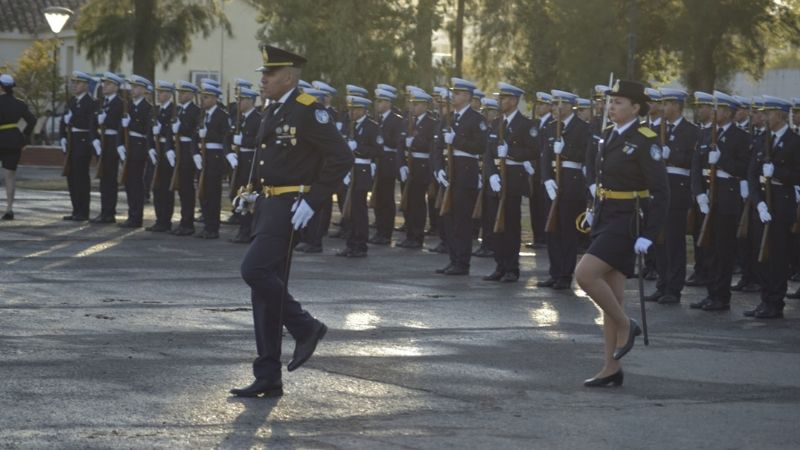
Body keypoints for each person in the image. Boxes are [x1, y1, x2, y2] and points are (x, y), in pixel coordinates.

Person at [231, 45, 351, 397]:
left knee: (253, 271)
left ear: (288, 77)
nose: (263, 79)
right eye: (263, 74)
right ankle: (268, 374)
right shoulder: (273, 110)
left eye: (269, 74)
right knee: (263, 292)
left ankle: (306, 327)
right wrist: (251, 190)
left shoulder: (308, 111)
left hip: (291, 205)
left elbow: (342, 158)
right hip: (269, 204)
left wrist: (314, 200)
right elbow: (267, 157)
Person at [576, 80, 668, 387]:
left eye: (618, 102)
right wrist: (594, 208)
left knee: (585, 275)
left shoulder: (645, 140)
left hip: (627, 221)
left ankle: (625, 324)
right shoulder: (608, 136)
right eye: (610, 101)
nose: (611, 106)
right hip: (606, 216)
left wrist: (650, 233)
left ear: (636, 108)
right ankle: (611, 367)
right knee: (611, 297)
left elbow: (661, 191)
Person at [689, 91, 750, 312]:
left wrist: (722, 160)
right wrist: (698, 193)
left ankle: (721, 297)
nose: (715, 113)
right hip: (707, 196)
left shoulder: (741, 138)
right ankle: (711, 293)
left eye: (719, 110)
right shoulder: (706, 135)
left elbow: (744, 169)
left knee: (723, 250)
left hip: (726, 198)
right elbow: (696, 166)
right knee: (709, 249)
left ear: (728, 113)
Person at [743, 96, 800, 319]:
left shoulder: (795, 142)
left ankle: (775, 302)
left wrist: (777, 173)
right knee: (761, 252)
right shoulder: (761, 139)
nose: (765, 117)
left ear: (782, 115)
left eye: (770, 113)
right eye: (764, 113)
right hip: (763, 204)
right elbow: (751, 173)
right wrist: (758, 203)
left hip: (782, 201)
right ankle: (765, 299)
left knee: (777, 255)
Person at [644, 88, 698, 305]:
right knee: (660, 240)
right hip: (658, 189)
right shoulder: (657, 129)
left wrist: (672, 154)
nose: (663, 107)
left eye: (667, 103)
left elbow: (692, 160)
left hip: (677, 190)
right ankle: (662, 284)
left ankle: (674, 288)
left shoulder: (690, 130)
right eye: (662, 103)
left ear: (677, 105)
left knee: (674, 242)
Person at [432, 77, 489, 275]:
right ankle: (453, 258)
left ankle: (462, 262)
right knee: (448, 218)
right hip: (449, 173)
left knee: (462, 221)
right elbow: (437, 147)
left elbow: (480, 147)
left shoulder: (476, 119)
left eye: (457, 94)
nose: (453, 97)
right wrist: (438, 169)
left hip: (465, 173)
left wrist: (457, 140)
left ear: (466, 96)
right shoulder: (447, 118)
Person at [482, 82, 537, 282]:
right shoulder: (496, 123)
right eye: (500, 98)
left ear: (514, 101)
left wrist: (512, 153)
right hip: (496, 179)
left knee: (511, 226)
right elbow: (487, 153)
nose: (500, 101)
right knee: (494, 224)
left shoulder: (525, 125)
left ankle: (512, 268)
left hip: (513, 179)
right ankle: (499, 265)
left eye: (504, 98)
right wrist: (491, 174)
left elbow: (534, 151)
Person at [539, 89, 591, 290]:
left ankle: (565, 275)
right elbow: (544, 157)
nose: (556, 108)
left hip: (572, 182)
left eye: (561, 104)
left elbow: (586, 155)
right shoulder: (550, 128)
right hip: (552, 183)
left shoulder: (582, 128)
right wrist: (546, 180)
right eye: (554, 104)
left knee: (567, 231)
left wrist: (566, 150)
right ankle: (554, 272)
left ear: (570, 106)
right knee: (552, 230)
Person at [337, 95, 381, 257]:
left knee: (359, 210)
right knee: (348, 208)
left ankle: (360, 245)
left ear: (362, 110)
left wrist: (359, 148)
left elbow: (377, 150)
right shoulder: (350, 125)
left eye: (354, 109)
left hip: (362, 170)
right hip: (350, 169)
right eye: (350, 109)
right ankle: (351, 243)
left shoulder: (371, 127)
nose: (351, 112)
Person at [397, 88, 438, 249]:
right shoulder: (407, 121)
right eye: (412, 104)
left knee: (418, 203)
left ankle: (417, 236)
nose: (413, 107)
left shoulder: (431, 122)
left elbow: (431, 146)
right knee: (409, 202)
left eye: (417, 104)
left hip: (421, 166)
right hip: (409, 165)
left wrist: (414, 142)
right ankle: (410, 234)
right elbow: (400, 144)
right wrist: (401, 164)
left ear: (425, 106)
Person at [194, 82, 232, 239]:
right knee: (202, 192)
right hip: (203, 157)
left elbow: (225, 138)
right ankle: (206, 226)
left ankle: (213, 227)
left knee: (213, 194)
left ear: (216, 99)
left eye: (207, 97)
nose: (203, 100)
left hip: (214, 158)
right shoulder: (202, 115)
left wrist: (208, 135)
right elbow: (193, 137)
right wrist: (195, 153)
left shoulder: (222, 116)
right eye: (203, 97)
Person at [60, 71, 97, 222]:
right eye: (74, 83)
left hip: (82, 142)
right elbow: (64, 121)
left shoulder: (91, 102)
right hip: (72, 142)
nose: (75, 86)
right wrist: (62, 136)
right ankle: (75, 209)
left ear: (87, 85)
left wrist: (73, 119)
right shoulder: (72, 101)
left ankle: (83, 211)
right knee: (72, 177)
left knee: (81, 178)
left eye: (79, 83)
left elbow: (89, 124)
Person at [369, 86, 403, 246]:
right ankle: (379, 229)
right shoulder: (378, 119)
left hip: (389, 160)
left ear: (389, 103)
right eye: (377, 101)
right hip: (378, 160)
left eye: (381, 101)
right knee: (378, 196)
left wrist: (382, 139)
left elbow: (397, 142)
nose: (378, 104)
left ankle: (386, 232)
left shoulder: (396, 120)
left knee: (386, 198)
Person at [90, 72, 125, 224]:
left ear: (116, 87)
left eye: (108, 84)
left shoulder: (120, 103)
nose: (104, 86)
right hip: (102, 142)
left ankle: (109, 212)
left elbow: (120, 126)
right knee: (103, 179)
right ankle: (104, 211)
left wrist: (107, 121)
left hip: (112, 142)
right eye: (104, 83)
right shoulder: (101, 102)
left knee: (110, 179)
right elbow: (93, 122)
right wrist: (95, 140)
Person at [228, 86, 262, 243]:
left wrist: (242, 141)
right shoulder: (240, 118)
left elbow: (259, 141)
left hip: (251, 162)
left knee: (248, 197)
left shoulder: (257, 118)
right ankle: (242, 230)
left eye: (241, 100)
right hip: (240, 159)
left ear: (250, 101)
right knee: (239, 195)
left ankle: (248, 231)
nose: (239, 103)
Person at [0, 74, 36, 220]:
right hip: (13, 140)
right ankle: (9, 208)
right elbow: (32, 120)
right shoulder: (20, 104)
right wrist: (24, 137)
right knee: (10, 175)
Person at [170, 81, 202, 236]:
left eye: (183, 93)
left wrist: (180, 128)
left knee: (187, 189)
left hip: (188, 151)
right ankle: (184, 222)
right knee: (182, 189)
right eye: (179, 93)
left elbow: (194, 132)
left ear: (190, 94)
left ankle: (188, 223)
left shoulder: (195, 111)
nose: (180, 95)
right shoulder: (180, 110)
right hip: (180, 150)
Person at [147, 80, 178, 232]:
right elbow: (149, 132)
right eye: (158, 92)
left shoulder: (174, 110)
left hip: (167, 152)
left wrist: (163, 130)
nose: (159, 95)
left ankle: (166, 220)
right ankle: (159, 219)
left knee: (166, 187)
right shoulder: (156, 110)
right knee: (156, 187)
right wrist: (150, 148)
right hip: (157, 151)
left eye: (163, 92)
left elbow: (174, 133)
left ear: (170, 94)